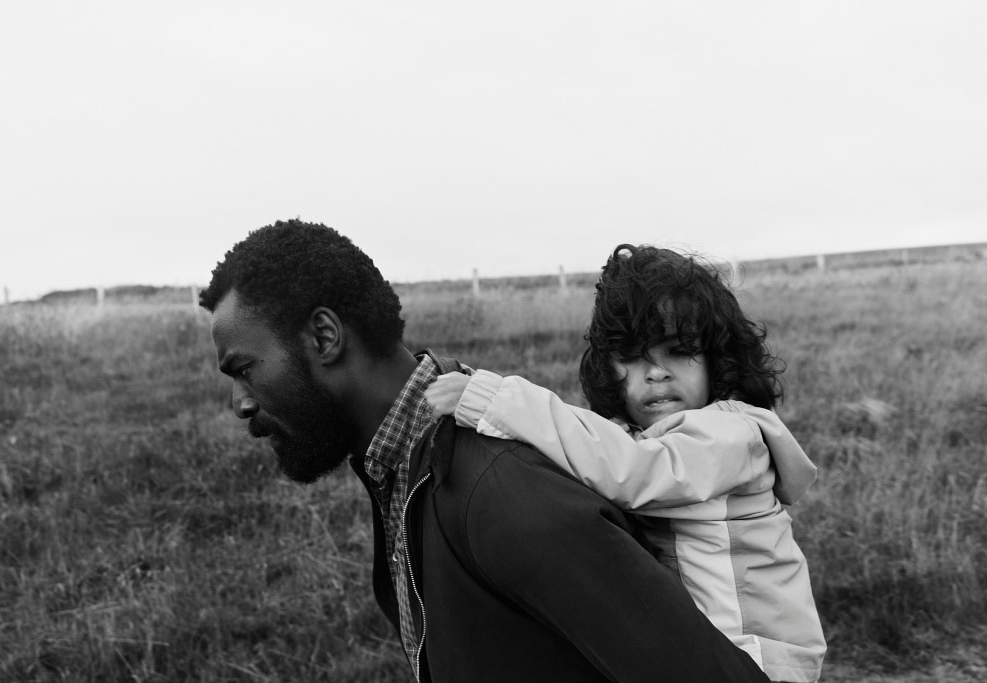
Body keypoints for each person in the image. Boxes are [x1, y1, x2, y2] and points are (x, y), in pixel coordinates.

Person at [201, 220, 772, 682]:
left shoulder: (499, 490)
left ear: (324, 338)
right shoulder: (401, 466)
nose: (240, 404)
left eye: (244, 370)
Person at [424, 244, 826, 683]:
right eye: (632, 357)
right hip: (710, 648)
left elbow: (630, 471)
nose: (655, 373)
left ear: (718, 359)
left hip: (761, 658)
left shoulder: (728, 436)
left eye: (678, 350)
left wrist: (496, 399)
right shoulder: (652, 440)